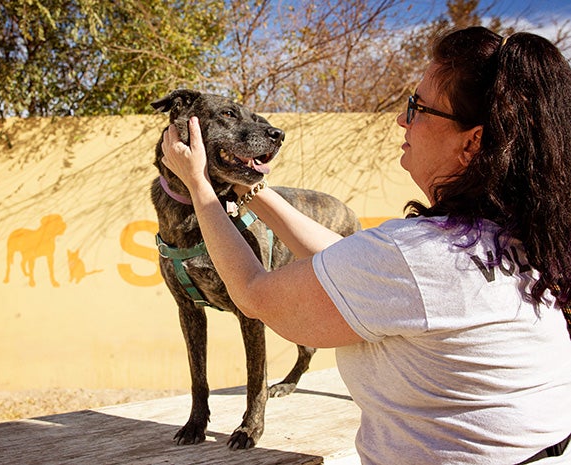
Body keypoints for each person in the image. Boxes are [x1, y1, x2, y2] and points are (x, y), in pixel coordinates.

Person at [160, 26, 571, 464]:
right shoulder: (516, 238)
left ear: (472, 141)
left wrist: (200, 186)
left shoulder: (412, 255)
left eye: (418, 107)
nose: (401, 119)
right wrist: (247, 185)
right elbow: (347, 260)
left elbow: (253, 294)